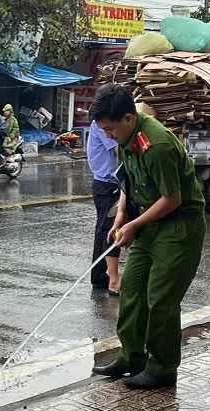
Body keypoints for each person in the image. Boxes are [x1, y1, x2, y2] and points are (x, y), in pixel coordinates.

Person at [90, 84, 206, 390]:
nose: (108, 136)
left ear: (129, 118)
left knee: (161, 300)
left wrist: (133, 225)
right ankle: (131, 357)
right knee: (131, 290)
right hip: (148, 225)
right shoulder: (125, 139)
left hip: (178, 226)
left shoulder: (156, 146)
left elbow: (173, 198)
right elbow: (129, 181)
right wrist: (121, 216)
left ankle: (162, 368)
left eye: (110, 129)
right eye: (103, 130)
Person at [87, 120, 121, 294]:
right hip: (107, 184)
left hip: (108, 183)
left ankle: (99, 277)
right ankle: (113, 281)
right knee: (109, 229)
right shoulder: (103, 123)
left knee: (102, 229)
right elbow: (118, 149)